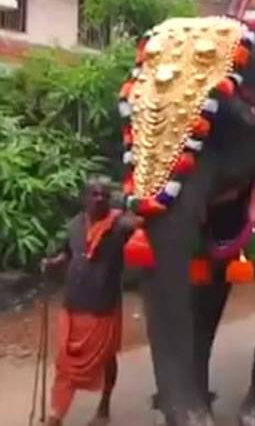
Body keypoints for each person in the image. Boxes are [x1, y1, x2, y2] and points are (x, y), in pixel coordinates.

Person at [42, 177, 134, 426]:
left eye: (104, 194)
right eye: (94, 194)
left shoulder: (121, 225)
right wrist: (53, 264)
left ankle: (104, 407)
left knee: (106, 357)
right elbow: (67, 254)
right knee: (65, 360)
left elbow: (143, 222)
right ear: (84, 198)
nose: (99, 199)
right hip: (73, 303)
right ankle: (56, 415)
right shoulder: (74, 225)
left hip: (103, 305)